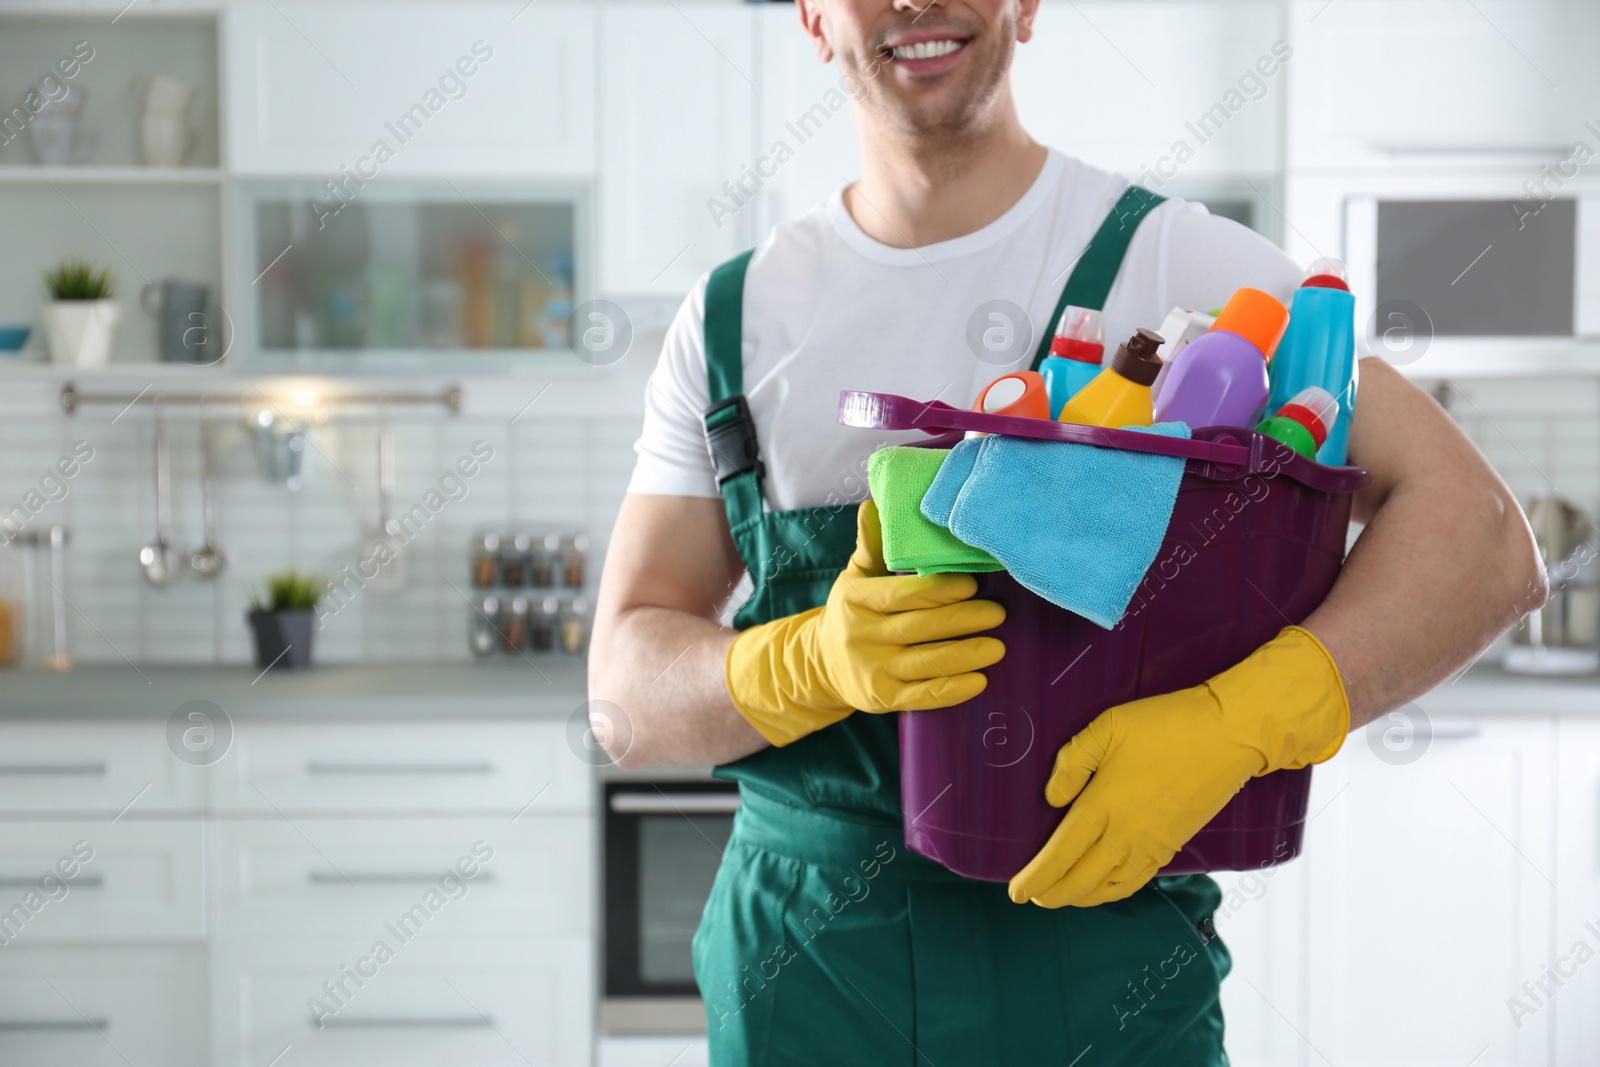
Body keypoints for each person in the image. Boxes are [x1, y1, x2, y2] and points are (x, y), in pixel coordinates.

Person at [588, 0, 1546, 1059]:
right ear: (813, 16)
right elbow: (623, 696)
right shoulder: (734, 318)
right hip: (807, 976)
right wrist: (805, 661)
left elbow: (1485, 536)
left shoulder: (1189, 274)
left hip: (1103, 971)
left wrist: (1247, 717)